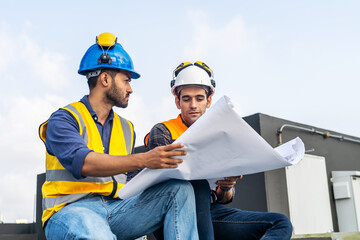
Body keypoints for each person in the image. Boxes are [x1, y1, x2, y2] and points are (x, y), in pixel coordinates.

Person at [38, 33, 199, 240]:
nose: (130, 89)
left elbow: (128, 180)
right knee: (96, 233)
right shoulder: (64, 119)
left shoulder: (126, 128)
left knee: (179, 190)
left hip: (116, 209)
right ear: (105, 79)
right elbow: (83, 163)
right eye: (126, 81)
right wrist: (145, 159)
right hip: (69, 210)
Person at [145, 61, 294, 240]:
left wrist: (226, 187)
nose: (193, 105)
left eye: (199, 98)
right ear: (177, 101)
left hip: (210, 211)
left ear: (209, 100)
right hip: (174, 213)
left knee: (280, 223)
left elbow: (223, 197)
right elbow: (162, 184)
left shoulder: (220, 134)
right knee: (197, 185)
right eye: (186, 99)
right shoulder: (162, 132)